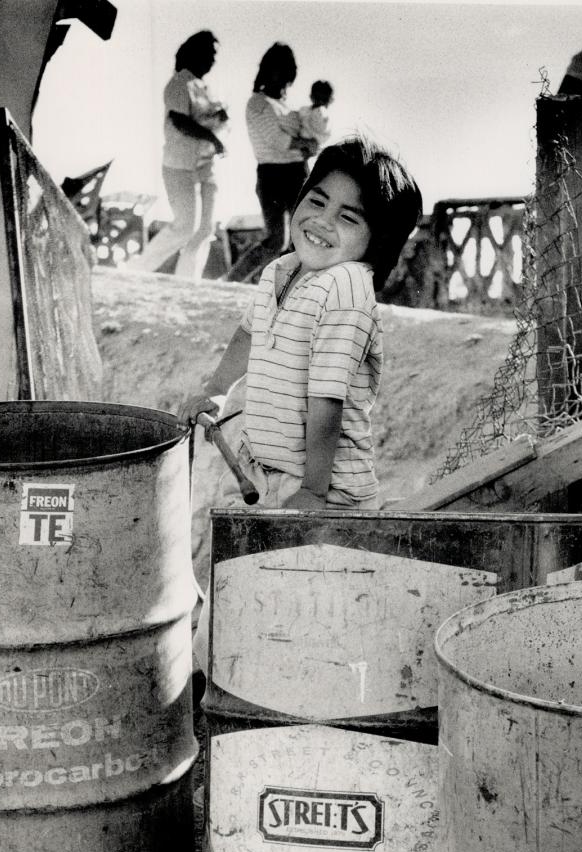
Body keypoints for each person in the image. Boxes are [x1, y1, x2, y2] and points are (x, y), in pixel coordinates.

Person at [179, 136, 423, 669]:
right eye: (317, 200)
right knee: (247, 595)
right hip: (274, 477)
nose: (323, 220)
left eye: (349, 217)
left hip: (323, 487)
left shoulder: (346, 291)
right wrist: (218, 387)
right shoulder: (281, 271)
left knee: (315, 614)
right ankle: (217, 688)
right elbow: (248, 333)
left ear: (376, 244)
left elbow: (327, 399)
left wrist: (314, 488)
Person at [129, 30, 227, 280]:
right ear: (196, 53)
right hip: (179, 165)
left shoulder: (204, 87)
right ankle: (137, 271)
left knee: (205, 229)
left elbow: (208, 120)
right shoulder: (179, 82)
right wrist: (212, 137)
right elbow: (180, 121)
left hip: (206, 165)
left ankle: (187, 282)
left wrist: (219, 121)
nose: (213, 61)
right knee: (185, 227)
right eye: (210, 54)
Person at [226, 42, 317, 283]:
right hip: (273, 175)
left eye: (288, 72)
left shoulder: (288, 108)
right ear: (267, 71)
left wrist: (307, 146)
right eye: (279, 70)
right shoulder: (257, 102)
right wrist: (304, 144)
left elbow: (309, 141)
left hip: (298, 173)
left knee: (305, 236)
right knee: (278, 239)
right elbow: (276, 140)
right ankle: (232, 281)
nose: (283, 78)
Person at [298, 80, 334, 154]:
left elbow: (322, 133)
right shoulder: (305, 110)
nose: (320, 102)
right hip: (303, 144)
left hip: (308, 145)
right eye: (318, 98)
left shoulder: (323, 114)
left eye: (323, 99)